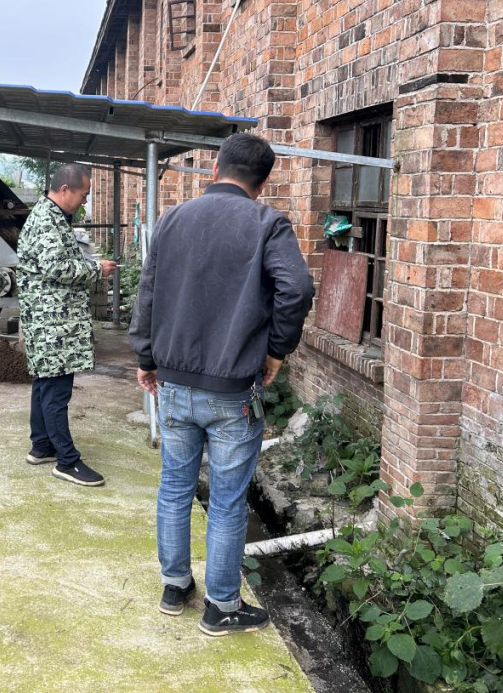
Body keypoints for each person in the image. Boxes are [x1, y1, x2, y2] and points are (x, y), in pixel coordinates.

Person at [129, 133, 314, 636]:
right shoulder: (267, 223)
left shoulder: (173, 219)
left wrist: (146, 357)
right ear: (263, 181)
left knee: (174, 486)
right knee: (228, 501)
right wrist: (276, 350)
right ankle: (222, 607)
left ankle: (174, 587)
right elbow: (296, 289)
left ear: (215, 169)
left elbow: (148, 292)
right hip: (233, 390)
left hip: (174, 383)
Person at [17, 163, 117, 487]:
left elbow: (56, 262)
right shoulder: (47, 220)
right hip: (53, 323)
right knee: (56, 391)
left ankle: (42, 445)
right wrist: (97, 270)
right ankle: (67, 461)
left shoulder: (51, 216)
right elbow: (57, 267)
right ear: (64, 190)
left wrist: (89, 265)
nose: (84, 201)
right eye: (83, 195)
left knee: (45, 383)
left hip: (50, 320)